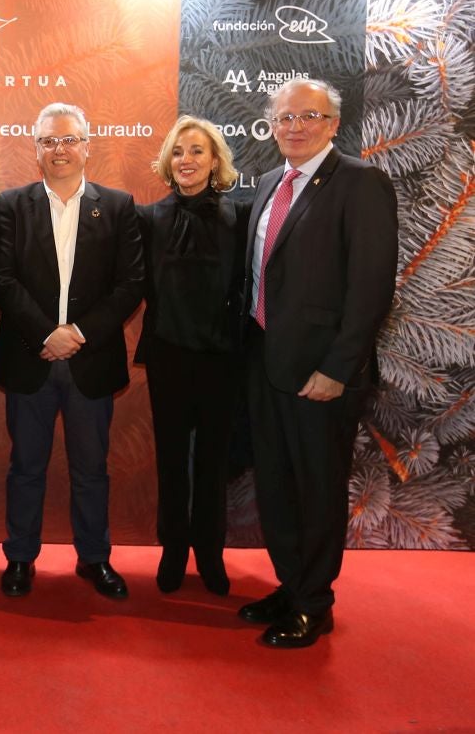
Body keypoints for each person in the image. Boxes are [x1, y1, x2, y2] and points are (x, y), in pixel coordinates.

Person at [239, 78, 397, 648]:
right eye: (285, 117)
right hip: (264, 363)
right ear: (272, 124)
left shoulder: (360, 183)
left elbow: (370, 288)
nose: (296, 126)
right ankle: (290, 585)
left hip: (319, 376)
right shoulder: (265, 184)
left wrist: (338, 368)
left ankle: (315, 603)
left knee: (317, 488)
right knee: (277, 488)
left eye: (310, 116)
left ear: (333, 124)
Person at [0, 102, 143, 599]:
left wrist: (76, 333)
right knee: (25, 468)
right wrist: (46, 335)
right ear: (35, 148)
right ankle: (19, 558)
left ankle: (94, 559)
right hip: (30, 359)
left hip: (90, 361)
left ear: (86, 145)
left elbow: (129, 284)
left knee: (91, 470)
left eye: (69, 139)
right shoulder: (12, 204)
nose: (59, 149)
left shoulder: (118, 206)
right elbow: (3, 280)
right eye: (49, 141)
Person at [135, 116, 249, 596]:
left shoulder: (239, 218)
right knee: (170, 461)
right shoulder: (148, 218)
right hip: (168, 357)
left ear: (215, 160)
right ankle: (174, 550)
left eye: (198, 151)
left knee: (213, 463)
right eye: (179, 151)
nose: (187, 160)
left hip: (222, 358)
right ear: (168, 161)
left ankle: (209, 553)